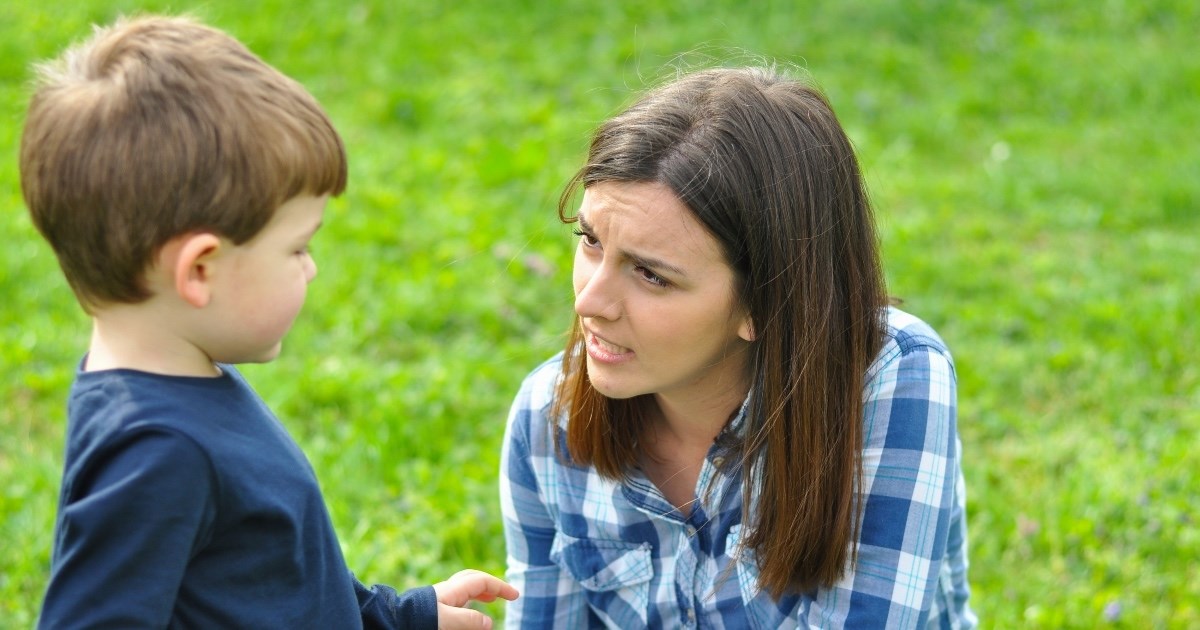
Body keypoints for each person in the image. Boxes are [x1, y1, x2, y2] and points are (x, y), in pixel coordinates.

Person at [21, 15, 516, 629]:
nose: (310, 270)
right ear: (199, 269)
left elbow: (270, 586)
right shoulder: (157, 453)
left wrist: (401, 617)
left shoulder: (184, 384)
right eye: (297, 248)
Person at [499, 66, 975, 628]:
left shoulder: (891, 380)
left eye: (651, 275)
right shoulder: (547, 416)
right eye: (591, 241)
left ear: (766, 302)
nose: (589, 303)